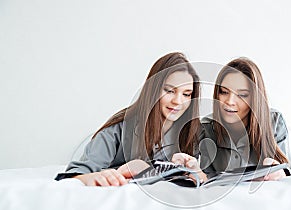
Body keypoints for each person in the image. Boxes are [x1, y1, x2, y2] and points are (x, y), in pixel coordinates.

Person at [55, 52, 205, 186]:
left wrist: (194, 171)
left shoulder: (192, 132)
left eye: (186, 94)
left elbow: (203, 180)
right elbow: (74, 177)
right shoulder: (118, 129)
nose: (178, 101)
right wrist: (100, 177)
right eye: (170, 91)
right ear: (153, 89)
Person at [199, 57, 291, 181]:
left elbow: (288, 170)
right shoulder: (207, 127)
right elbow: (206, 177)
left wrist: (279, 172)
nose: (229, 102)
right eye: (224, 92)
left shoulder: (274, 121)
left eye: (242, 95)